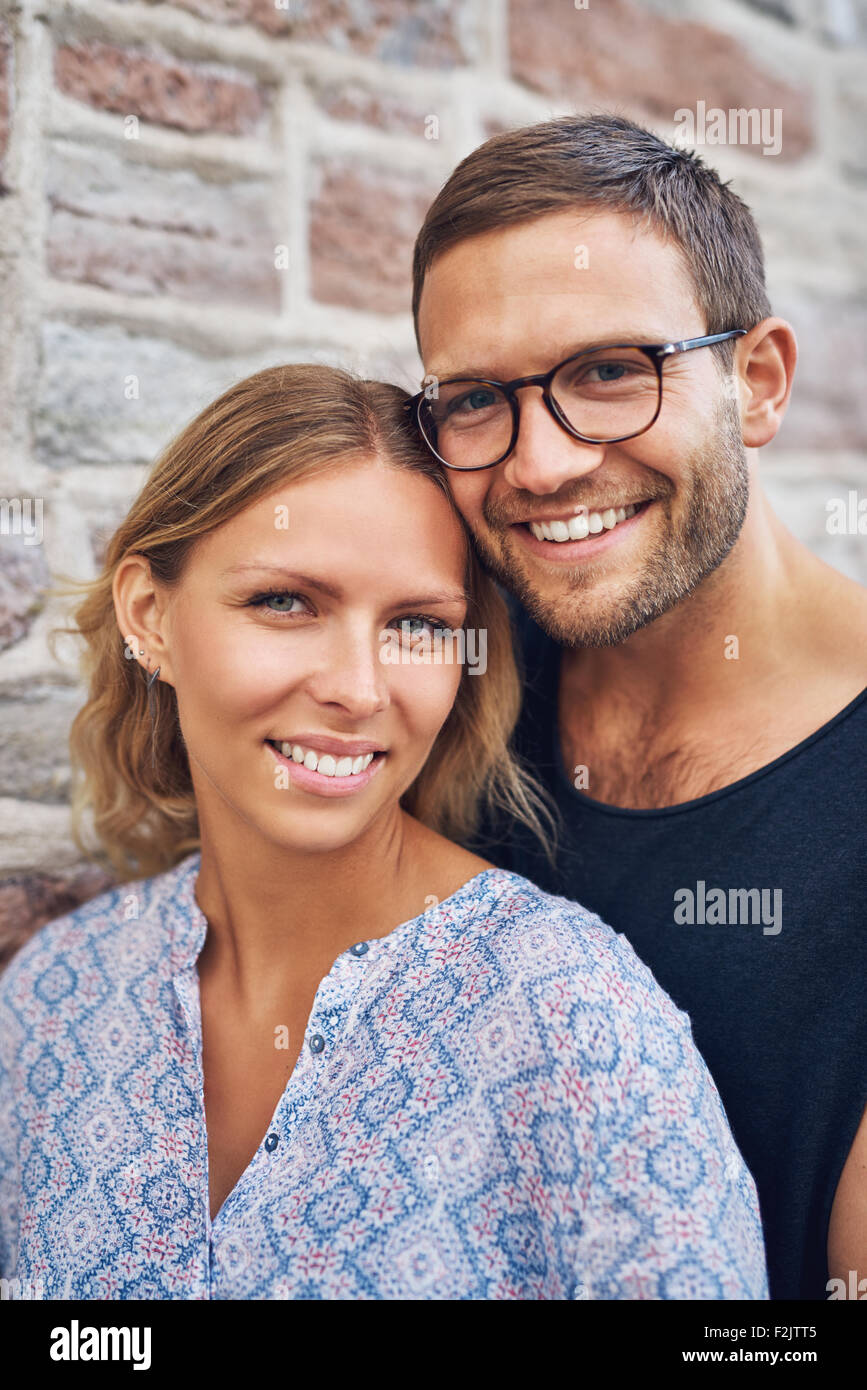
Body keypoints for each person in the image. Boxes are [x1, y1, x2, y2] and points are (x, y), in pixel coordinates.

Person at [0, 364, 767, 1300]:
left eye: (417, 624)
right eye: (286, 602)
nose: (359, 690)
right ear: (149, 617)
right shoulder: (54, 998)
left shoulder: (569, 1018)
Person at [407, 111, 867, 1301]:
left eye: (610, 372)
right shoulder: (422, 696)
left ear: (755, 382)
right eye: (473, 400)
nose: (541, 465)